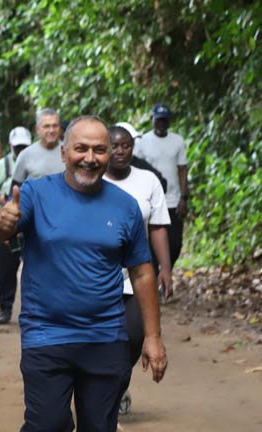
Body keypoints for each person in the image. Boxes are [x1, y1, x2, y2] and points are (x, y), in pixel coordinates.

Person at [0, 116, 168, 432]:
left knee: (99, 431)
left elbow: (142, 272)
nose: (91, 158)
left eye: (99, 150)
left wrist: (153, 337)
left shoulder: (125, 206)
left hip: (105, 335)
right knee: (48, 424)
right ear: (64, 151)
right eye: (81, 149)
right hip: (46, 333)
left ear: (111, 154)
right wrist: (0, 220)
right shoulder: (36, 194)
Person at [103, 125, 172, 414]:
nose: (120, 151)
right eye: (114, 146)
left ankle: (118, 385)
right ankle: (106, 391)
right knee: (103, 338)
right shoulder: (93, 180)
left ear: (133, 148)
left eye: (126, 146)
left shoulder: (148, 181)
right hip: (99, 277)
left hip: (136, 275)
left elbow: (157, 227)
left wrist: (165, 268)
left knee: (133, 336)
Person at [134, 104, 188, 272]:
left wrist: (184, 197)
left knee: (175, 243)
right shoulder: (142, 142)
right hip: (150, 201)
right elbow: (135, 168)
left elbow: (182, 169)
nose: (162, 123)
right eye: (158, 120)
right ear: (152, 120)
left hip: (173, 200)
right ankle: (155, 278)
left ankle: (165, 271)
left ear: (169, 121)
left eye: (165, 120)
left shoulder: (177, 141)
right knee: (151, 241)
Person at [0, 126, 32, 324]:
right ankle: (5, 308)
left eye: (24, 146)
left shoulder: (36, 161)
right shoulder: (1, 166)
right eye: (18, 147)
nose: (21, 150)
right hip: (9, 222)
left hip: (32, 222)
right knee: (6, 266)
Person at [11, 108, 64, 187]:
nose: (51, 130)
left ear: (60, 129)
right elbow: (15, 190)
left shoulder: (69, 151)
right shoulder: (25, 155)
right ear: (37, 129)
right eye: (46, 126)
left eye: (55, 126)